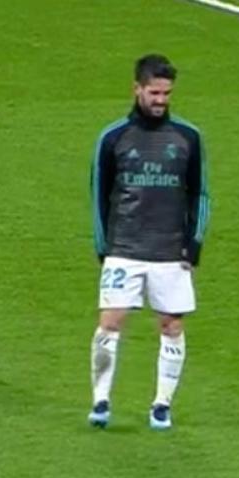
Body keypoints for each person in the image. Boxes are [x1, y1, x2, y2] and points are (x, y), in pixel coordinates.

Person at [87, 54, 210, 431]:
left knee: (171, 326)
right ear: (137, 89)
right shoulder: (113, 137)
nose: (161, 100)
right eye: (154, 92)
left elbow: (200, 193)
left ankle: (161, 405)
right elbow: (99, 192)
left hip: (170, 250)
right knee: (110, 322)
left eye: (166, 93)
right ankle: (101, 400)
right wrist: (103, 244)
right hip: (125, 248)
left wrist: (194, 244)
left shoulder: (188, 137)